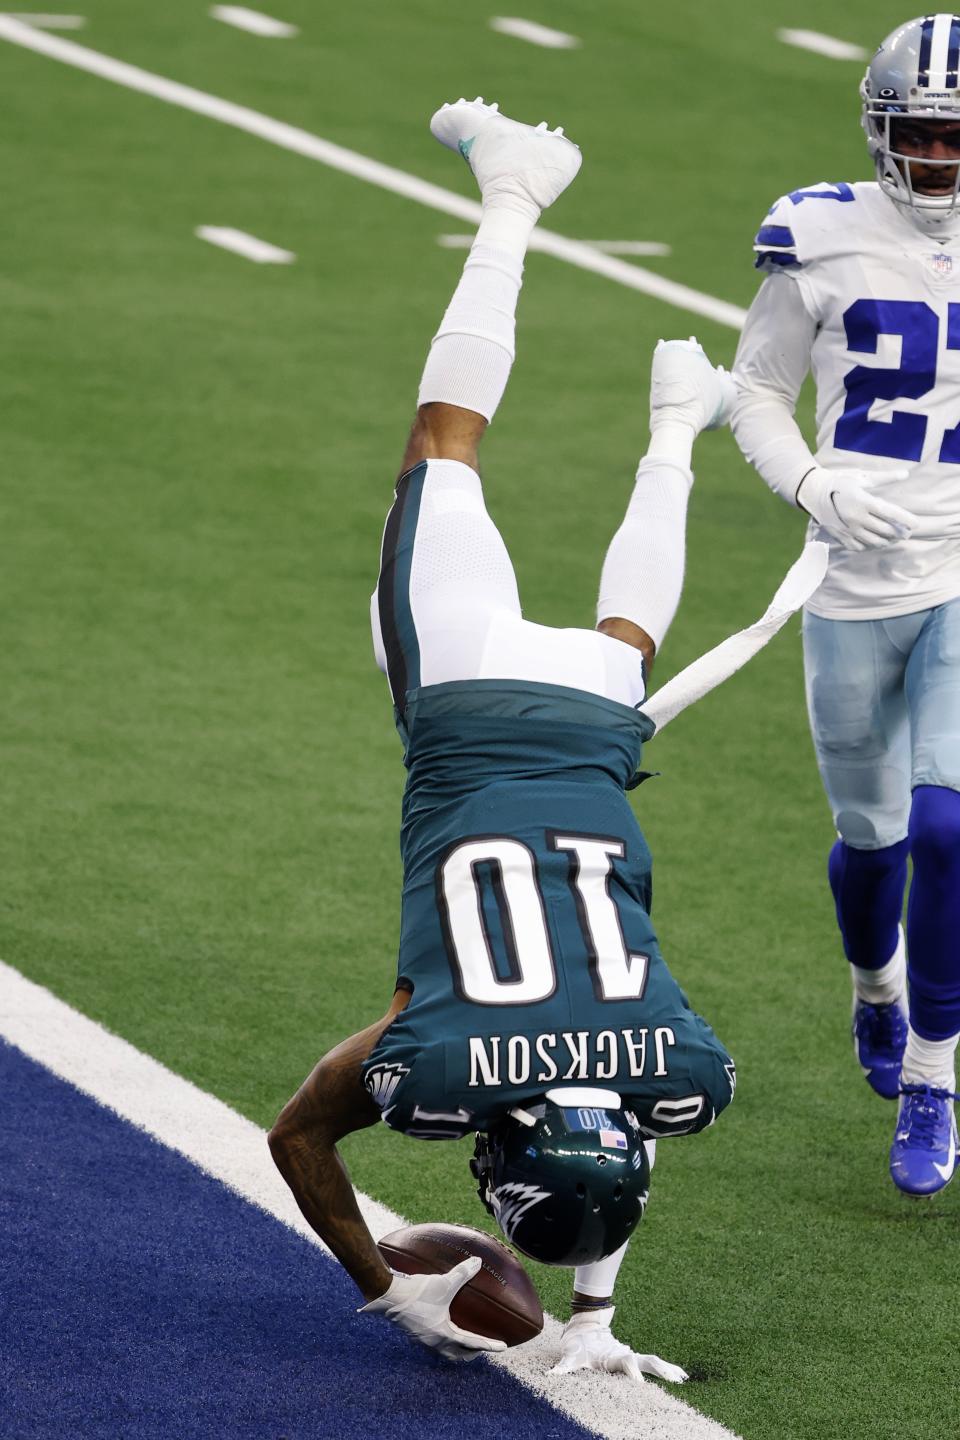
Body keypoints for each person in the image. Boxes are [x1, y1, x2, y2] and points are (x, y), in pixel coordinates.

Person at [269, 97, 819, 1378]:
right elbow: (301, 1136)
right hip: (462, 709)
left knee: (624, 622)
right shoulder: (433, 1071)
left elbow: (631, 1112)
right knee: (441, 447)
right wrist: (389, 1289)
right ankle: (513, 193)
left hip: (595, 711)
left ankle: (674, 427)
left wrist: (595, 1314)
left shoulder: (684, 1072)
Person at [731, 14, 960, 1198]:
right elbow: (757, 392)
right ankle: (874, 989)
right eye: (922, 136)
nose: (939, 161)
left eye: (958, 138)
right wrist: (812, 481)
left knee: (949, 828)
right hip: (847, 582)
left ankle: (934, 1074)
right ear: (881, 131)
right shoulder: (818, 228)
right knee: (871, 846)